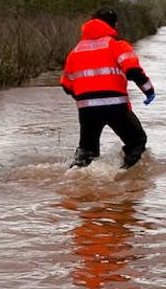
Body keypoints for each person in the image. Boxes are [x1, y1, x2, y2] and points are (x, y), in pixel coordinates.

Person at [60, 9, 155, 169]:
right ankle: (124, 176)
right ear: (114, 25)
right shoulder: (117, 45)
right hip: (115, 107)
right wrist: (149, 91)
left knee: (87, 153)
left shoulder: (75, 51)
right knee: (137, 142)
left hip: (87, 110)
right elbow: (133, 71)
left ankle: (76, 174)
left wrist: (85, 99)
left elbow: (66, 85)